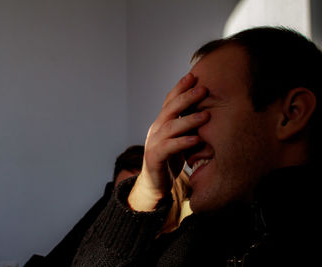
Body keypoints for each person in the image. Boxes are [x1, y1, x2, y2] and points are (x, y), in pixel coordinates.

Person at [72, 26, 322, 266]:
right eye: (182, 117)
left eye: (200, 111)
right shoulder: (197, 239)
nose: (181, 142)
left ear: (291, 114)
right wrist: (145, 191)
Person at [24, 145, 144, 267]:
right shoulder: (107, 206)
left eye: (134, 192)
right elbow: (63, 254)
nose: (124, 201)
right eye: (121, 191)